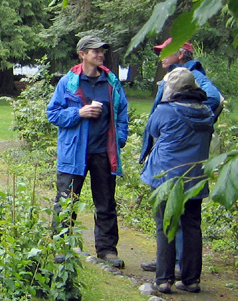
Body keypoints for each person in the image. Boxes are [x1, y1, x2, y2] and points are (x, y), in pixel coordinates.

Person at [139, 38, 223, 273]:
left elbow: (214, 98)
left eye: (165, 52)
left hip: (170, 164)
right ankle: (178, 268)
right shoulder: (177, 74)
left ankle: (171, 269)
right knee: (185, 219)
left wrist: (188, 118)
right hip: (187, 163)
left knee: (173, 217)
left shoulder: (190, 75)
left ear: (181, 54)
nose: (161, 57)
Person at [47, 33, 129, 267]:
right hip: (74, 152)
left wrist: (120, 138)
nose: (101, 55)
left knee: (105, 202)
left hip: (104, 152)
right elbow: (52, 113)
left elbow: (122, 113)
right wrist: (78, 113)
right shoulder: (68, 82)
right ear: (82, 55)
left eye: (102, 51)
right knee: (66, 200)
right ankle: (61, 246)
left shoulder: (111, 82)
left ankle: (107, 250)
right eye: (95, 51)